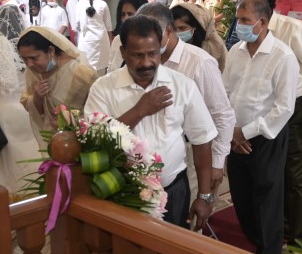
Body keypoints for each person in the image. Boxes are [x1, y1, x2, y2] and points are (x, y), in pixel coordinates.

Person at [86, 15, 218, 228]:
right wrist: (140, 110)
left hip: (174, 189)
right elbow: (95, 141)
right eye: (137, 55)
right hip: (122, 192)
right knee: (126, 247)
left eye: (152, 54)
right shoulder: (103, 88)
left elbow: (202, 140)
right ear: (123, 52)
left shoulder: (182, 85)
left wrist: (204, 196)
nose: (146, 63)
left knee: (173, 246)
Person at [236, 0, 302, 244]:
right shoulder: (244, 34)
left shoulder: (293, 29)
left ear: (264, 5)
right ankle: (271, 232)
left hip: (295, 111)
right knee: (266, 176)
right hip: (260, 111)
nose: (241, 7)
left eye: (248, 1)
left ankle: (295, 238)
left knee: (294, 176)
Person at [222, 0, 299, 254]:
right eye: (238, 20)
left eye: (245, 20)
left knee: (267, 197)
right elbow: (225, 92)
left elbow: (284, 107)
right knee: (241, 194)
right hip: (234, 135)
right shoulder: (236, 51)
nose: (239, 26)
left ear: (263, 22)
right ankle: (256, 240)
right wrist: (232, 131)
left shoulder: (283, 56)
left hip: (266, 137)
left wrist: (245, 132)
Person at [138, 3, 235, 197]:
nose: (146, 42)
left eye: (151, 36)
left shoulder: (199, 62)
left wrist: (217, 162)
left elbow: (222, 115)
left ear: (168, 31)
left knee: (189, 209)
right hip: (153, 152)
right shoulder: (146, 60)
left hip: (193, 152)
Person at [0, 6, 42, 194]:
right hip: (28, 108)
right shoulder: (28, 46)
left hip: (2, 112)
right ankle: (35, 190)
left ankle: (8, 196)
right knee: (31, 151)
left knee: (8, 160)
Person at [17, 26, 98, 146]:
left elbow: (97, 112)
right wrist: (37, 97)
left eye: (34, 58)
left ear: (51, 50)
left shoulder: (82, 73)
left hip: (80, 141)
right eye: (24, 59)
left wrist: (70, 122)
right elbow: (29, 105)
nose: (29, 64)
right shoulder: (34, 72)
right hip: (51, 140)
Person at [170, 1, 227, 72]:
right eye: (173, 28)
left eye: (182, 28)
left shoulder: (214, 48)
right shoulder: (167, 45)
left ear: (195, 28)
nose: (177, 33)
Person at [70, 0, 112, 74]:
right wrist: (110, 42)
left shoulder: (80, 4)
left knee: (86, 69)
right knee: (101, 70)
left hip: (85, 40)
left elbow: (77, 25)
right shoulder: (103, 4)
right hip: (101, 40)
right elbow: (108, 26)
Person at [106, 0, 147, 72]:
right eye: (123, 14)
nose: (125, 19)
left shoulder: (149, 43)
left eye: (130, 14)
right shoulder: (118, 40)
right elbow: (110, 69)